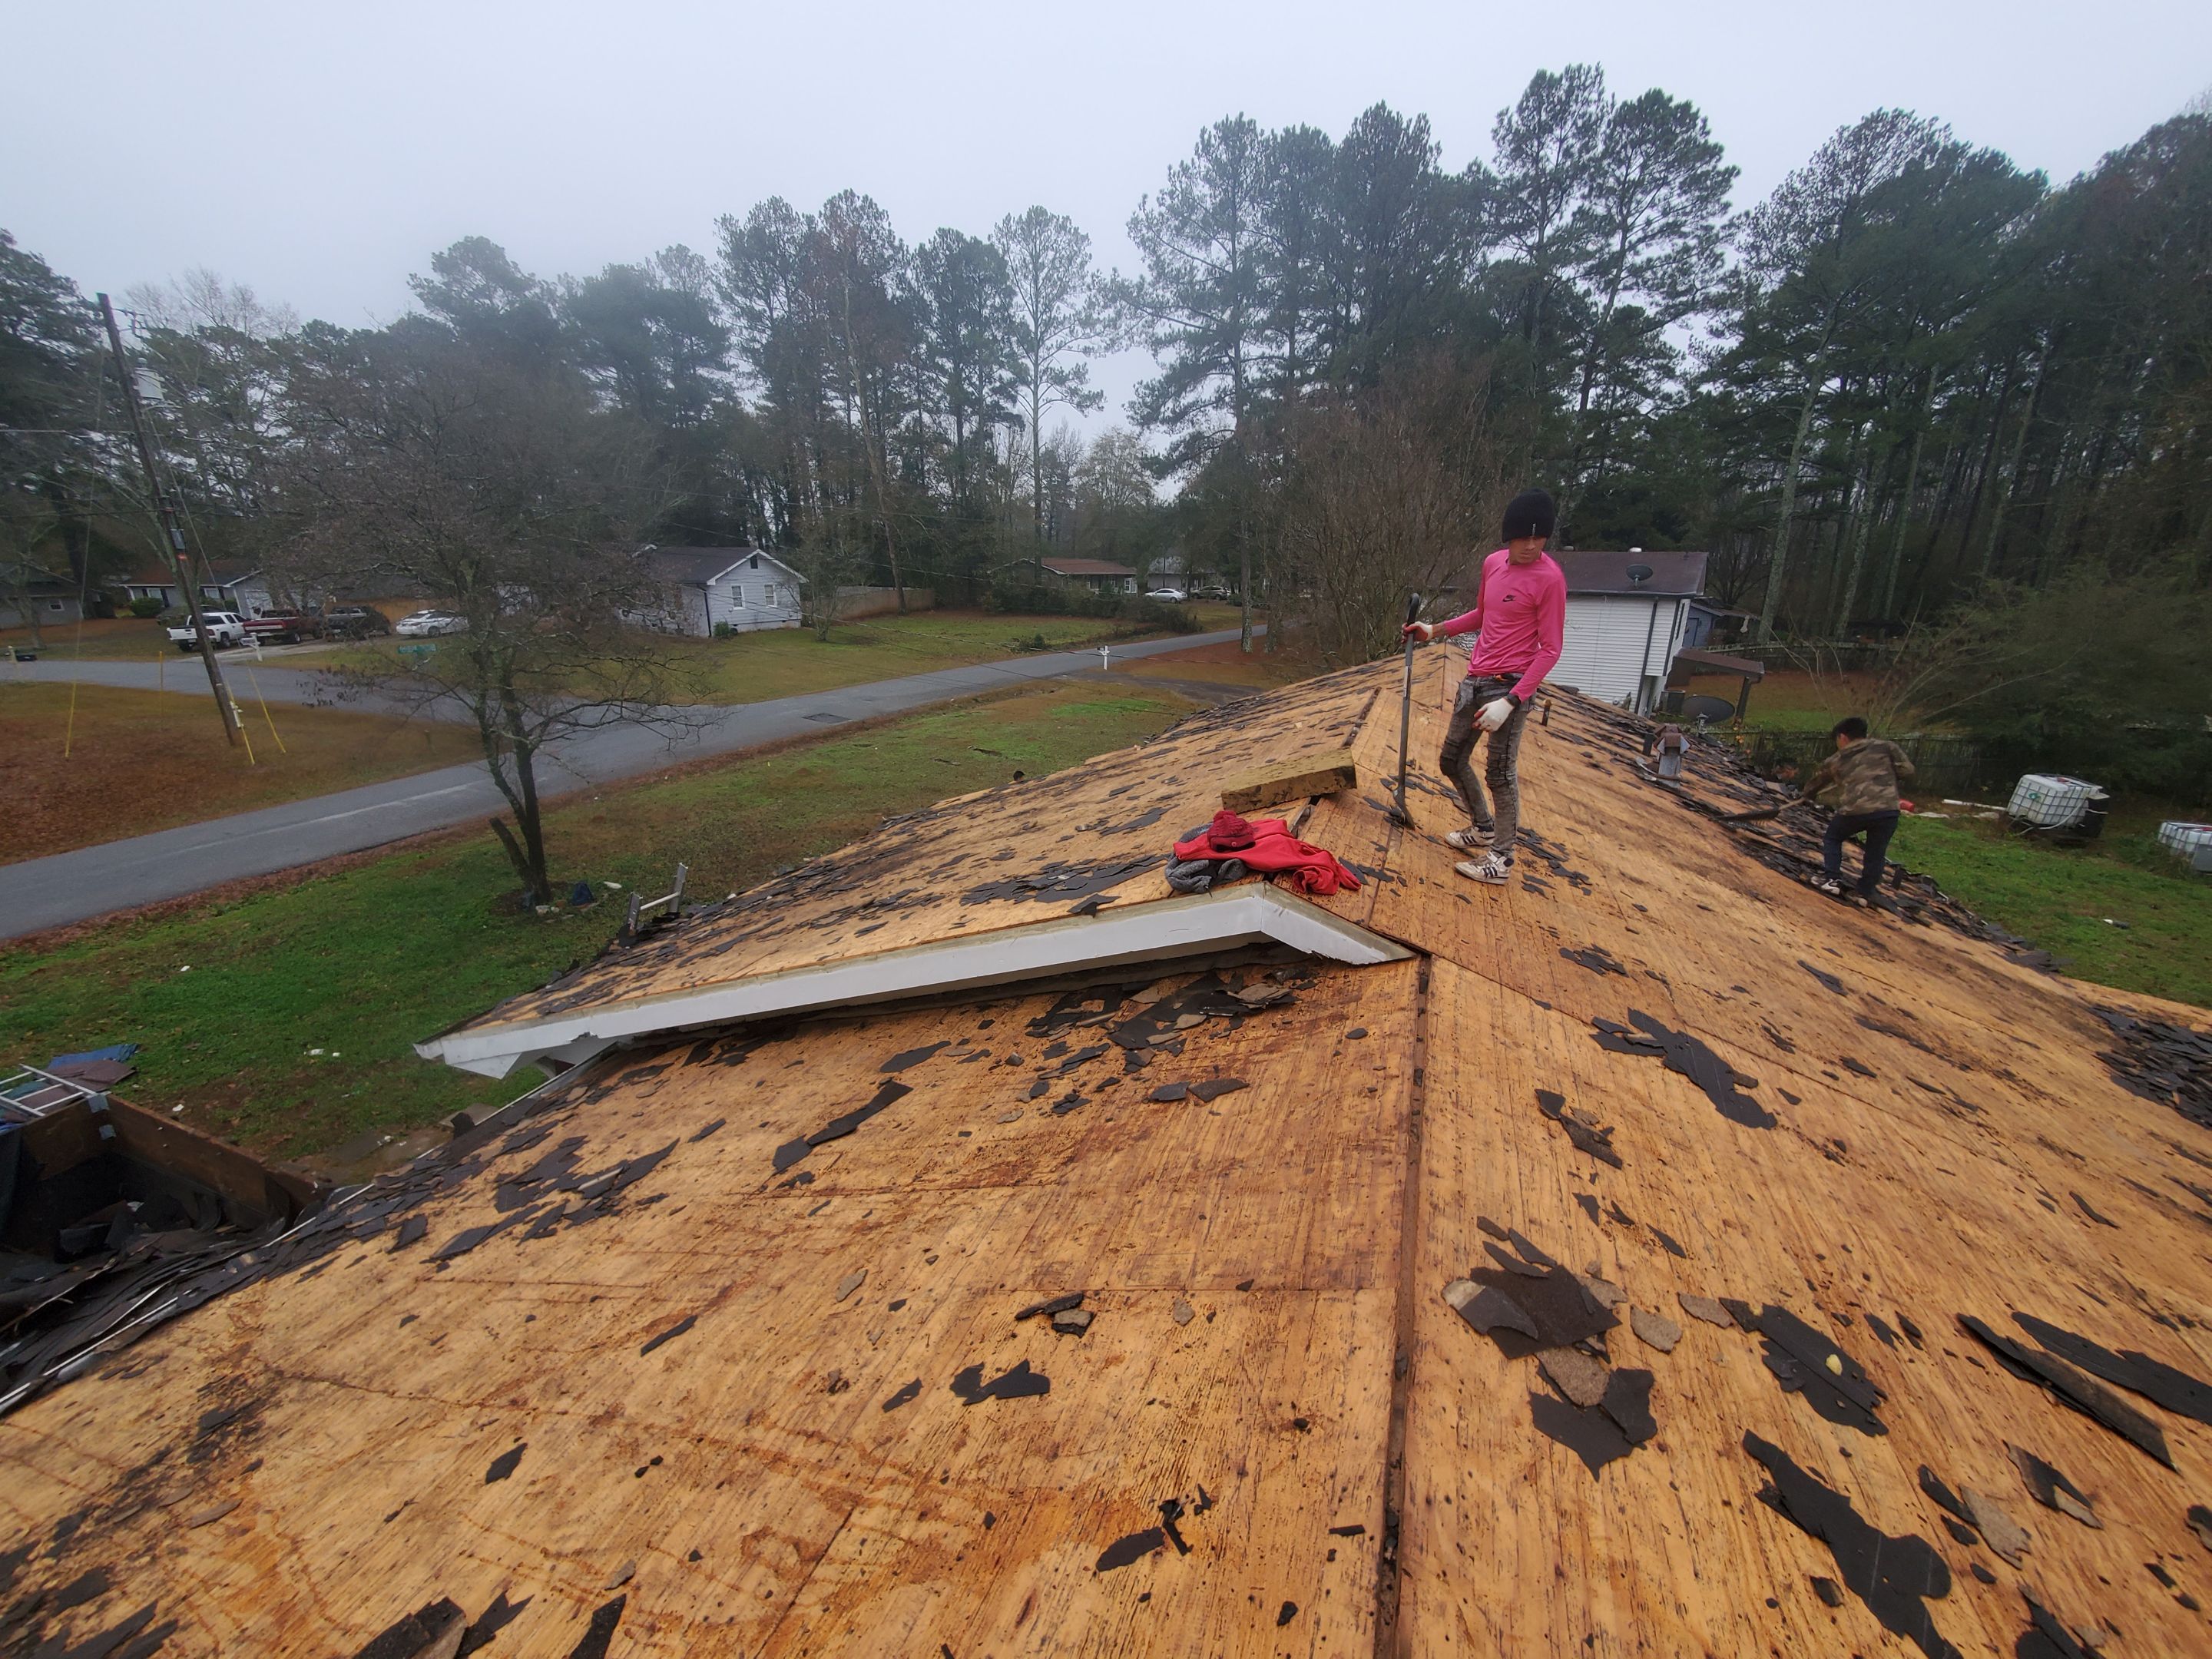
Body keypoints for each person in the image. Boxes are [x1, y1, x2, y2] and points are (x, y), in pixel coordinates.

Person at [1402, 488, 1567, 885]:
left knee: (1500, 773)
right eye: (1522, 538)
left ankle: (1502, 859)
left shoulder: (1550, 580)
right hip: (1475, 680)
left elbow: (1551, 650)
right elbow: (1482, 613)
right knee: (1451, 760)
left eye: (1538, 538)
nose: (1530, 546)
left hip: (1510, 687)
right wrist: (1435, 630)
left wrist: (1512, 702)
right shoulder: (1493, 564)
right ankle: (1483, 827)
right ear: (1507, 537)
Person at [1803, 716, 1915, 901]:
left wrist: (1807, 796)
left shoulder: (1837, 759)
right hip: (1888, 810)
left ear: (1843, 737)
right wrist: (1884, 773)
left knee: (1833, 837)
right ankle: (1864, 893)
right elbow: (1908, 770)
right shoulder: (1886, 747)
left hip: (1856, 810)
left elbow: (1816, 783)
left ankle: (1832, 880)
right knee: (1876, 852)